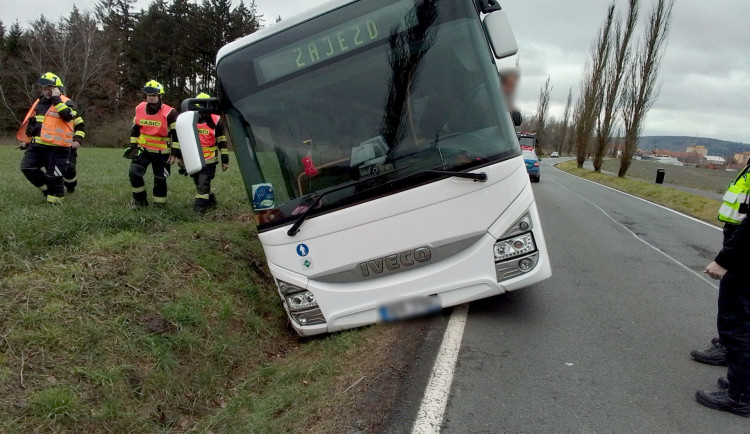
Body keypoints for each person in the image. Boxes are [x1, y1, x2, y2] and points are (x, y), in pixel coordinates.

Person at [695, 161, 750, 416]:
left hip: (743, 253)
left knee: (737, 323)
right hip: (740, 245)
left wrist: (724, 259)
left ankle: (741, 395)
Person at [17, 72, 85, 204]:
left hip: (58, 148)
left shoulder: (68, 103)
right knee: (27, 167)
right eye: (44, 88)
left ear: (58, 88)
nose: (47, 91)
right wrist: (26, 140)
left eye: (50, 88)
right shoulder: (39, 103)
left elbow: (68, 116)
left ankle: (56, 201)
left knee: (57, 176)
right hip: (37, 146)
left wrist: (77, 139)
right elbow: (33, 124)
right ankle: (47, 190)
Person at [126, 80, 179, 208]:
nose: (151, 98)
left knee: (160, 180)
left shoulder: (169, 112)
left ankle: (159, 205)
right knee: (134, 173)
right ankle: (140, 202)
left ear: (160, 96)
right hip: (143, 150)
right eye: (149, 95)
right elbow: (135, 129)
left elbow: (176, 135)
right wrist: (133, 147)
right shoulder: (140, 108)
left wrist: (174, 154)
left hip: (162, 154)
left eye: (154, 95)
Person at [174, 92, 229, 213]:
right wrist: (179, 157)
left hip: (209, 160)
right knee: (200, 184)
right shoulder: (189, 120)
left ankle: (199, 210)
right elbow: (183, 139)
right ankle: (211, 201)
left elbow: (222, 142)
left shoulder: (216, 121)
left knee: (203, 185)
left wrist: (225, 160)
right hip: (194, 159)